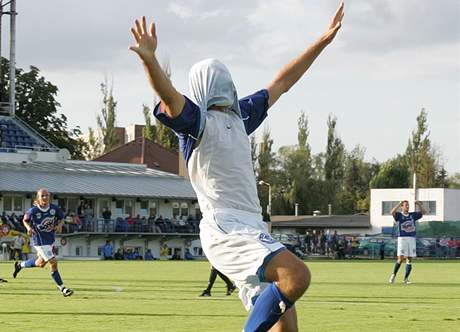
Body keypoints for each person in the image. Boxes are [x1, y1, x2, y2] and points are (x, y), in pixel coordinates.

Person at [129, 2, 344, 330]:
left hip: (252, 227)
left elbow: (282, 82)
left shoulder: (241, 116)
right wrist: (150, 60)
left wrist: (322, 42)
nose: (225, 84)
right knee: (297, 275)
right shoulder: (197, 121)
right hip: (225, 228)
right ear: (202, 87)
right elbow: (168, 95)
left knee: (287, 326)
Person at [12, 188, 73, 297]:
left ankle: (20, 265)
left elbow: (62, 218)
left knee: (40, 263)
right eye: (42, 196)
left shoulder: (54, 209)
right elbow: (24, 220)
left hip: (50, 240)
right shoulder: (33, 211)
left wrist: (59, 225)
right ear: (38, 198)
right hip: (39, 241)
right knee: (53, 262)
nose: (45, 197)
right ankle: (63, 288)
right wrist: (28, 228)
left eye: (47, 195)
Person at [389, 200, 426, 285]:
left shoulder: (412, 215)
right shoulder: (399, 215)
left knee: (409, 259)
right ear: (402, 207)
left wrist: (419, 204)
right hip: (402, 238)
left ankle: (405, 279)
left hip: (411, 238)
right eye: (405, 205)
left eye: (408, 205)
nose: (407, 207)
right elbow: (392, 212)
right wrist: (399, 203)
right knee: (401, 258)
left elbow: (424, 212)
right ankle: (393, 275)